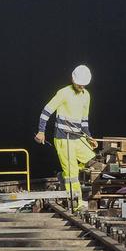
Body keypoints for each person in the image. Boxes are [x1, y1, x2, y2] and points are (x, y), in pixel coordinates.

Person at [34, 65, 96, 210]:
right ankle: (76, 203)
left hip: (77, 137)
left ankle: (63, 175)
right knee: (72, 173)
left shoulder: (86, 96)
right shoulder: (63, 93)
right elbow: (46, 112)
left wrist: (89, 138)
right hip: (63, 139)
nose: (81, 86)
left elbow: (84, 121)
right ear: (73, 80)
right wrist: (41, 131)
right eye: (79, 83)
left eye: (83, 84)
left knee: (91, 161)